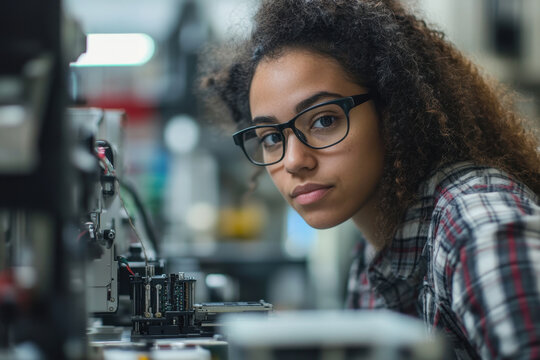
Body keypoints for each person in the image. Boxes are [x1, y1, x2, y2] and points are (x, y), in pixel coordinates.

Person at [199, 0, 540, 358]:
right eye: (271, 137)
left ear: (393, 109)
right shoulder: (373, 245)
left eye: (324, 120)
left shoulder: (478, 227)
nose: (295, 161)